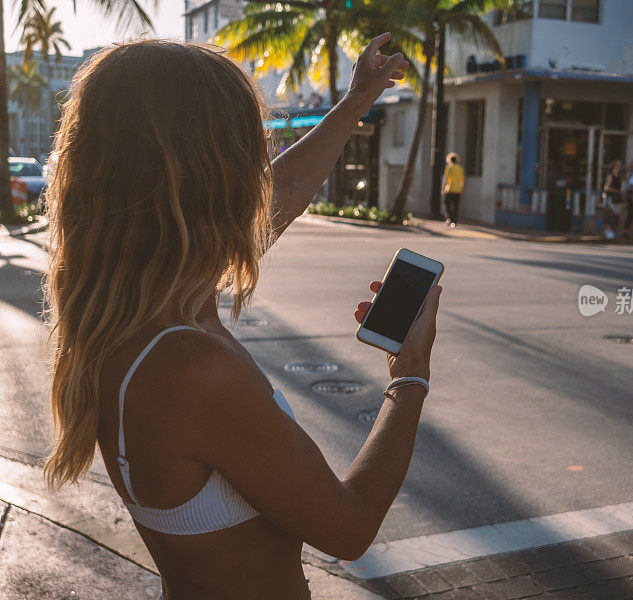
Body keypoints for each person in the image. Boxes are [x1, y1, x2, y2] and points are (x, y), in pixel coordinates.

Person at [40, 37, 437, 600]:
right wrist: (410, 375)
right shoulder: (192, 368)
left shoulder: (135, 316)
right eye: (249, 149)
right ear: (210, 177)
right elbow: (349, 528)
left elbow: (282, 195)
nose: (258, 169)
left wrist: (356, 101)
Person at [601, 159, 624, 239]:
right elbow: (606, 188)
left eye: (619, 165)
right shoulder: (610, 175)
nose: (619, 167)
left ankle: (612, 230)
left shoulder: (619, 176)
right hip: (611, 197)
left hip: (618, 198)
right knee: (610, 214)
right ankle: (608, 230)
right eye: (617, 165)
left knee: (617, 215)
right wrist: (617, 191)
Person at [441, 152, 465, 228]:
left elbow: (445, 179)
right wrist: (461, 189)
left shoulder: (449, 167)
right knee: (456, 206)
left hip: (450, 189)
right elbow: (462, 181)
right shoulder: (460, 168)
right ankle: (454, 221)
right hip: (458, 190)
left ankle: (449, 218)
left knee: (447, 204)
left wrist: (443, 188)